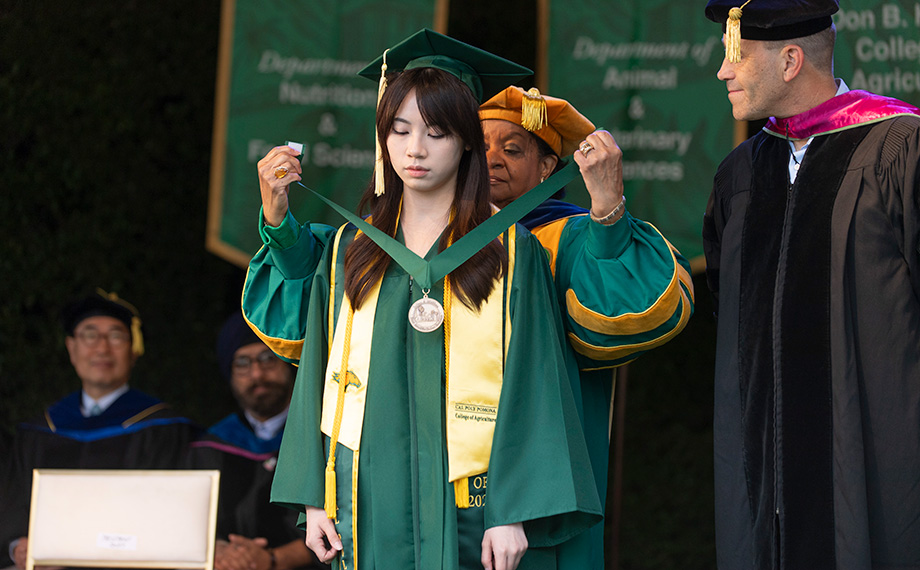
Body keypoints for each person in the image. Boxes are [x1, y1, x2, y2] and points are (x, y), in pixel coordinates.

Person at [245, 29, 602, 570]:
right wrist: (314, 494)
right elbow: (319, 370)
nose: (414, 149)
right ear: (382, 140)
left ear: (465, 142)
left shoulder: (510, 249)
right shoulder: (350, 248)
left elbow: (535, 381)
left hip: (474, 504)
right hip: (364, 498)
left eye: (436, 132)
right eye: (400, 129)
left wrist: (514, 509)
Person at [701, 1, 920, 568]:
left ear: (791, 60)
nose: (722, 71)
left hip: (878, 465)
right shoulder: (740, 174)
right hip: (762, 483)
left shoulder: (899, 150)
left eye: (737, 57)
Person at [479, 87, 695, 568]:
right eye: (479, 147)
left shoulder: (570, 235)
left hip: (541, 469)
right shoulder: (433, 241)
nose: (491, 158)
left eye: (512, 149)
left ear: (546, 169)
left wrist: (607, 206)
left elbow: (628, 307)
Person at [0, 289, 200, 569]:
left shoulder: (163, 429)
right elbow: (13, 507)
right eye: (90, 335)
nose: (102, 348)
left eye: (116, 336)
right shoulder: (40, 430)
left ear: (133, 350)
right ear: (71, 348)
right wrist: (16, 547)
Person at [187, 313, 321, 570]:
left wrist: (273, 560)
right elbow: (185, 521)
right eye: (243, 363)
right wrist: (216, 549)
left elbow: (347, 520)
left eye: (268, 358)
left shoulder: (321, 439)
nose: (257, 373)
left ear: (288, 363)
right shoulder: (208, 448)